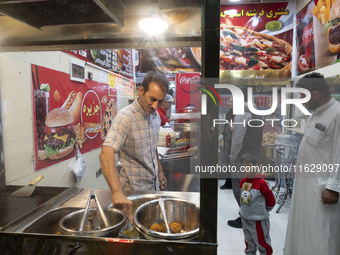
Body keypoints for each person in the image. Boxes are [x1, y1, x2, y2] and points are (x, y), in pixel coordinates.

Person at [99, 71, 169, 222]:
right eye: (153, 99)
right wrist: (116, 191)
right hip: (132, 195)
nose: (156, 105)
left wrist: (160, 171)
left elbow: (152, 146)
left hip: (153, 189)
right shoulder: (125, 117)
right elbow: (106, 153)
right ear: (141, 91)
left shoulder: (155, 116)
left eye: (160, 101)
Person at [284, 72, 340, 255]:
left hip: (321, 190)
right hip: (305, 186)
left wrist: (333, 187)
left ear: (315, 94)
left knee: (321, 235)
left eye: (303, 96)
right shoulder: (315, 114)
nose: (302, 101)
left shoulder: (337, 114)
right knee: (304, 230)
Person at [228, 87, 264, 228]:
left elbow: (237, 140)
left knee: (241, 189)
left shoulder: (242, 114)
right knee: (250, 188)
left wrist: (233, 157)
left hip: (242, 158)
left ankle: (246, 218)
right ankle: (250, 216)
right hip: (253, 156)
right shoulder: (256, 111)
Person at [239, 154, 275, 255]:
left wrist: (262, 210)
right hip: (245, 218)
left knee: (262, 243)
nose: (245, 168)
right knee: (249, 243)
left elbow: (271, 201)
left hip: (258, 221)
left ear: (256, 165)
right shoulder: (243, 181)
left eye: (248, 165)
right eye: (243, 166)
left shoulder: (262, 183)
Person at [220, 96, 235, 190]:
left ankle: (234, 183)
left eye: (231, 102)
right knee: (228, 163)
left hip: (236, 142)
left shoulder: (240, 114)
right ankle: (228, 183)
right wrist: (221, 136)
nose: (229, 103)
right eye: (229, 101)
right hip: (228, 142)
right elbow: (226, 127)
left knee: (234, 164)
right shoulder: (229, 113)